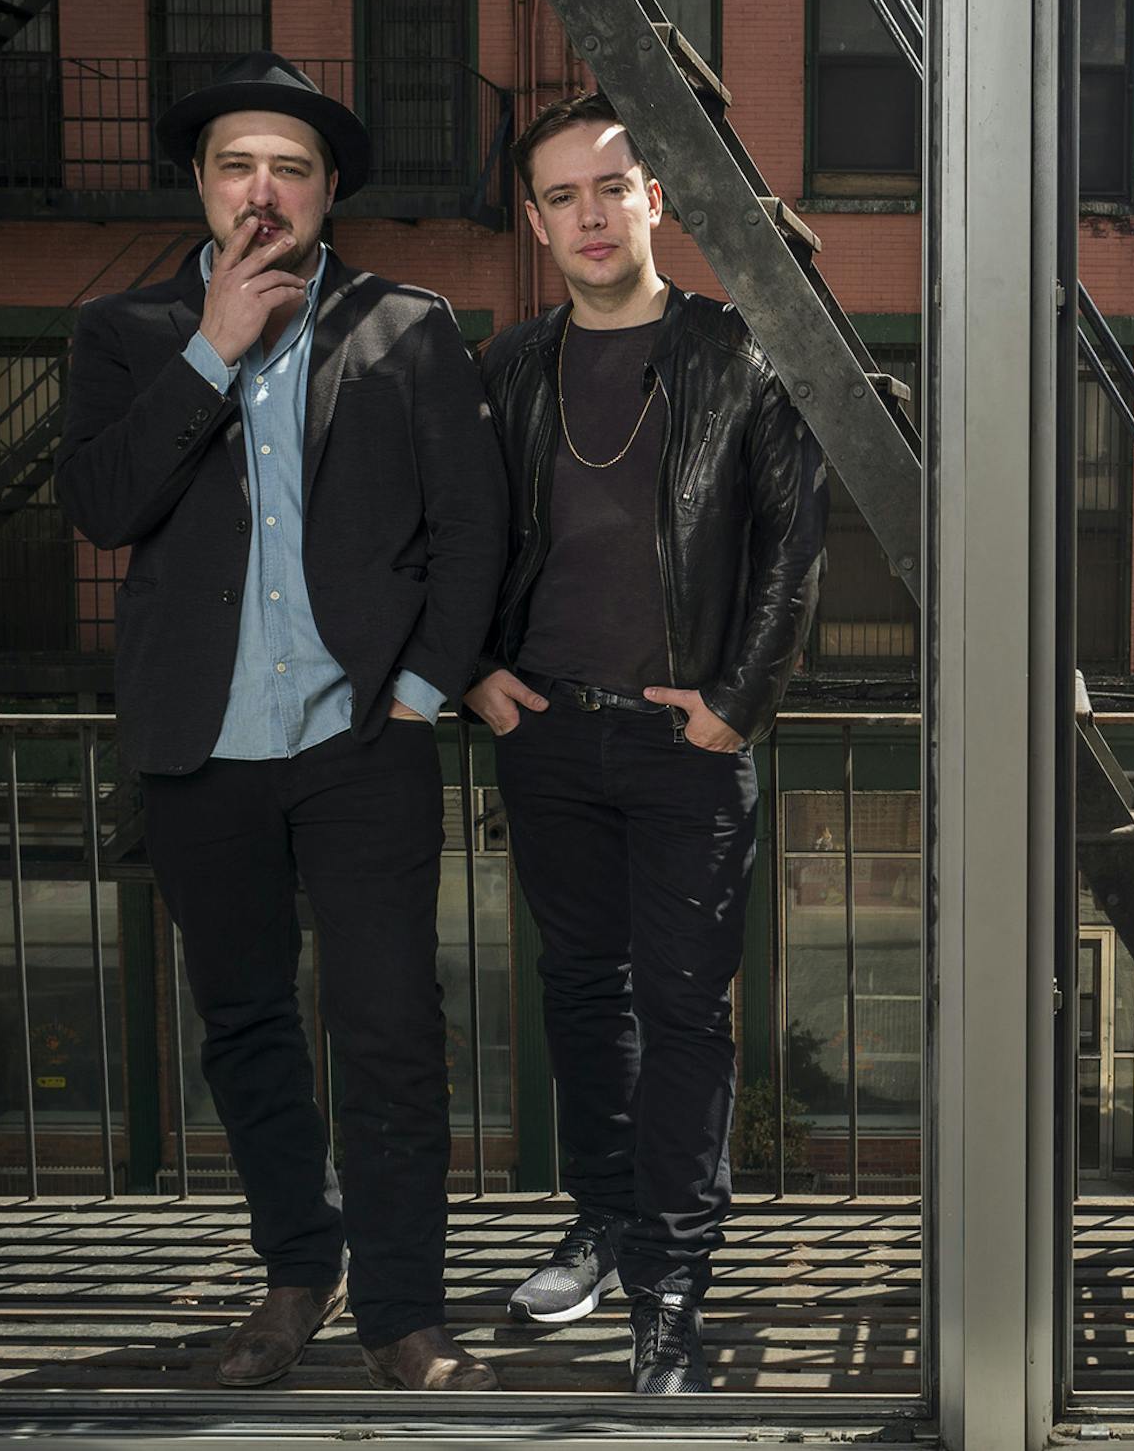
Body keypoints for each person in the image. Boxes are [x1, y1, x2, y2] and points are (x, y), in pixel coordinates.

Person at [56, 52, 508, 1390]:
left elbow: (472, 524)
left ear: (325, 197)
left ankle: (405, 1316)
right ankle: (297, 1279)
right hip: (201, 750)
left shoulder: (405, 326)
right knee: (246, 1023)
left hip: (361, 739)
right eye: (238, 165)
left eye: (292, 169)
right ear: (200, 184)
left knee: (389, 1026)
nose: (264, 190)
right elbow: (101, 505)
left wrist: (424, 693)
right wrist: (215, 351)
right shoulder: (124, 336)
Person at [466, 92, 827, 1393]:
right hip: (549, 733)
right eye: (560, 196)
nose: (589, 214)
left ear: (657, 199)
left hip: (687, 744)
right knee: (582, 996)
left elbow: (796, 546)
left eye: (610, 188)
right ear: (537, 221)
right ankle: (607, 1221)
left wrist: (739, 699)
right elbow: (450, 542)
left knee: (682, 1012)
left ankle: (673, 1277)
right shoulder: (508, 369)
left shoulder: (742, 352)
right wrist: (476, 675)